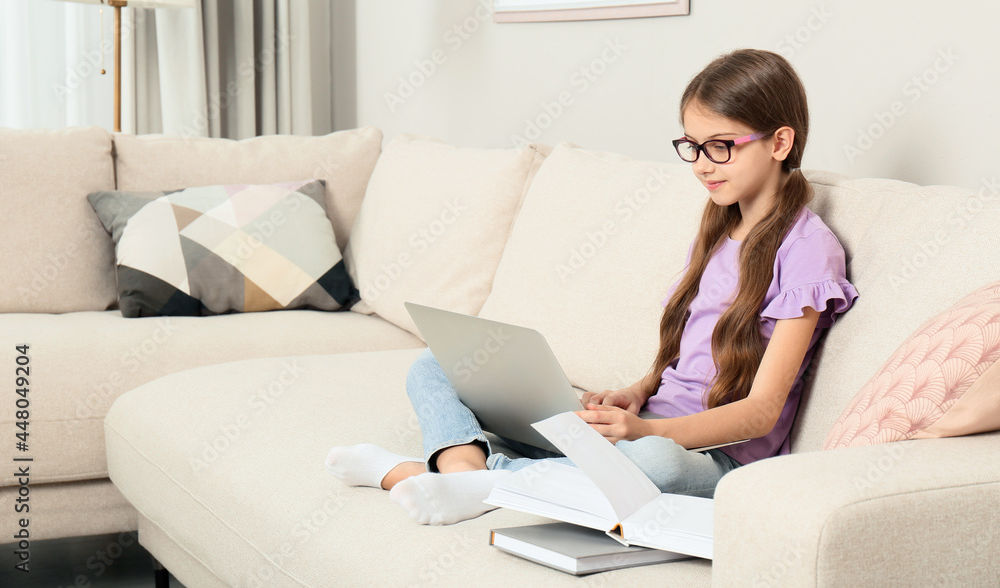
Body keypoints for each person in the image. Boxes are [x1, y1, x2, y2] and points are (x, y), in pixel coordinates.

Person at [325, 48, 859, 526]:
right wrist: (637, 392)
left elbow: (763, 411)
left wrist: (646, 434)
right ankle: (468, 474)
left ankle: (438, 474)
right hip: (644, 428)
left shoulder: (808, 249)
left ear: (780, 142)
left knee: (653, 465)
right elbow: (686, 358)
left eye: (720, 147)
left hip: (710, 458)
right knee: (434, 365)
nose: (700, 165)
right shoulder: (720, 227)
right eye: (691, 147)